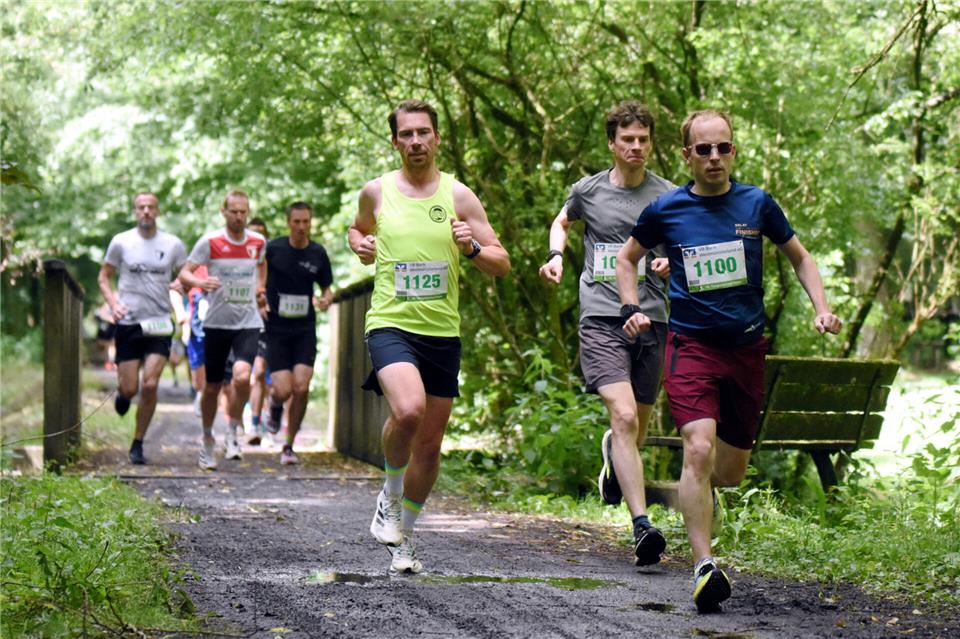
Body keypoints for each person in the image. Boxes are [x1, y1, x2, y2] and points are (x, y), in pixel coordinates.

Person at [615, 109, 842, 612]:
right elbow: (625, 258)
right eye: (704, 149)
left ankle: (699, 509)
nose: (714, 157)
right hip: (691, 347)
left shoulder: (757, 203)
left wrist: (822, 308)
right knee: (697, 449)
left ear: (733, 151)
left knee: (731, 471)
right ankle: (703, 565)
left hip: (745, 350)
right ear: (687, 155)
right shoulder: (666, 209)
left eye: (724, 148)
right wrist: (631, 307)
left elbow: (800, 256)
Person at [348, 100, 510, 573]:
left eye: (424, 133)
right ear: (395, 141)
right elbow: (357, 233)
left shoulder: (459, 197)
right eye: (407, 134)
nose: (416, 141)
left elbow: (500, 262)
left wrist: (473, 246)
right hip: (390, 322)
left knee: (431, 445)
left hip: (442, 331)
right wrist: (359, 244)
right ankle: (390, 496)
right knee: (409, 409)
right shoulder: (376, 192)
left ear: (437, 138)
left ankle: (403, 540)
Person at [538, 101, 674, 567]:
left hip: (653, 316)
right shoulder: (588, 190)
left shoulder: (669, 195)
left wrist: (670, 260)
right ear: (612, 144)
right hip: (601, 315)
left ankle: (613, 454)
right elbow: (562, 221)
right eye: (627, 140)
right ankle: (642, 527)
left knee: (636, 424)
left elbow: (684, 245)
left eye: (643, 139)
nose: (636, 147)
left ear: (650, 143)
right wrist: (556, 255)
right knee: (623, 415)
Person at [179, 190, 267, 470]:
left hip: (248, 321)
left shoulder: (258, 242)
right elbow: (184, 273)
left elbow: (262, 266)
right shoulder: (211, 242)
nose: (239, 216)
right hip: (217, 322)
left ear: (248, 213)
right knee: (213, 386)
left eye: (243, 212)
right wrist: (200, 283)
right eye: (234, 211)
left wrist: (260, 288)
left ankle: (232, 430)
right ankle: (207, 439)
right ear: (224, 212)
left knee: (242, 378)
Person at [97, 192, 187, 465]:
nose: (146, 211)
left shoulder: (173, 244)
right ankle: (123, 395)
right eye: (141, 207)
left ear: (157, 211)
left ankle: (137, 442)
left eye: (150, 207)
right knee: (129, 387)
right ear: (135, 212)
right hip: (128, 322)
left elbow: (186, 275)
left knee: (149, 385)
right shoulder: (121, 242)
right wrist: (113, 303)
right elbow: (104, 277)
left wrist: (182, 285)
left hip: (159, 322)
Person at [261, 202, 334, 465]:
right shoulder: (274, 249)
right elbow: (259, 277)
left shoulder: (318, 253)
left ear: (310, 223)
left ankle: (289, 445)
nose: (302, 227)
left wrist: (326, 299)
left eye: (306, 222)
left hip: (304, 329)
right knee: (284, 388)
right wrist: (261, 297)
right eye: (297, 222)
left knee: (301, 387)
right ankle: (275, 403)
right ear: (288, 222)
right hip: (276, 329)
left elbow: (327, 288)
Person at [245, 217, 272, 444]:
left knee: (267, 378)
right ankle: (251, 421)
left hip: (271, 322)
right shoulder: (236, 256)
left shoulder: (272, 258)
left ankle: (263, 419)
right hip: (241, 321)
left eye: (261, 234)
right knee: (253, 374)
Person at [94, 302, 117, 371]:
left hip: (111, 332)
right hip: (103, 334)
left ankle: (111, 363)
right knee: (104, 347)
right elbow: (97, 315)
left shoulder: (114, 308)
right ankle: (109, 362)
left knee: (111, 347)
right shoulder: (101, 310)